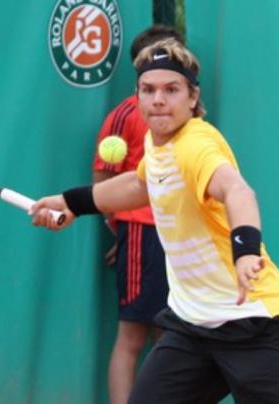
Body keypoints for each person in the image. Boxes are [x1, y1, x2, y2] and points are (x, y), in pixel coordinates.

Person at [31, 38, 279, 403]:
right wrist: (72, 202)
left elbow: (238, 192)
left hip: (255, 326)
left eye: (171, 89)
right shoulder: (159, 144)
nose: (158, 99)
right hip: (192, 330)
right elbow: (141, 182)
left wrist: (246, 250)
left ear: (192, 97)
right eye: (148, 89)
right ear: (136, 96)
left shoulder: (196, 144)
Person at [91, 25, 185, 404]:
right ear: (140, 67)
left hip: (178, 235)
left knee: (172, 337)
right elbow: (102, 177)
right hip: (141, 233)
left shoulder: (186, 120)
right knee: (132, 337)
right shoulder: (123, 115)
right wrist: (117, 228)